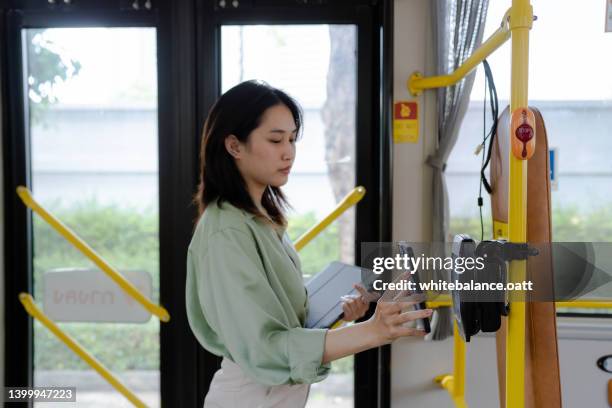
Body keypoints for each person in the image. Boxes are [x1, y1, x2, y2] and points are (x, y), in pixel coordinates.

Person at [185, 80, 432, 407]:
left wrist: (336, 314)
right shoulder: (226, 231)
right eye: (275, 140)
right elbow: (265, 347)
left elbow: (276, 308)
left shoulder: (259, 217)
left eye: (291, 139)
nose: (288, 152)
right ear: (234, 146)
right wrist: (373, 330)